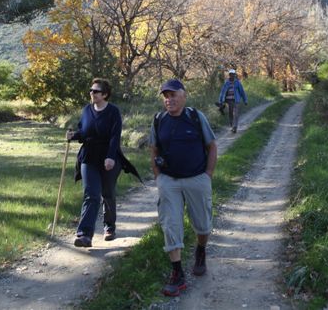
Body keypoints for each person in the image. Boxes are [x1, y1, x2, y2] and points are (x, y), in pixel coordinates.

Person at [150, 78, 217, 297]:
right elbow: (154, 150)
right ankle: (177, 273)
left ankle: (200, 250)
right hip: (169, 181)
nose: (169, 100)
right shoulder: (159, 120)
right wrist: (159, 178)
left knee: (203, 224)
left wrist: (208, 175)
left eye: (173, 95)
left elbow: (212, 145)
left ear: (183, 95)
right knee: (171, 224)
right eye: (166, 96)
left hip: (197, 178)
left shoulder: (196, 117)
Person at [66, 78, 141, 248]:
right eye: (91, 90)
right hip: (89, 158)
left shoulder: (113, 111)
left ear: (105, 94)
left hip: (108, 157)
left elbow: (115, 136)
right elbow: (84, 132)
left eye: (96, 91)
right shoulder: (86, 110)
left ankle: (109, 226)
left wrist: (110, 157)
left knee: (107, 193)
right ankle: (84, 234)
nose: (92, 93)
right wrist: (74, 135)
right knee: (91, 194)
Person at [218, 69, 248, 133]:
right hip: (229, 101)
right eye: (231, 74)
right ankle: (232, 126)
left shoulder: (237, 83)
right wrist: (220, 101)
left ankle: (235, 127)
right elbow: (222, 92)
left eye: (233, 74)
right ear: (229, 75)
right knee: (231, 114)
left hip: (236, 101)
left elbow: (242, 92)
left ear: (235, 75)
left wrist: (245, 100)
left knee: (236, 114)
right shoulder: (226, 83)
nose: (232, 75)